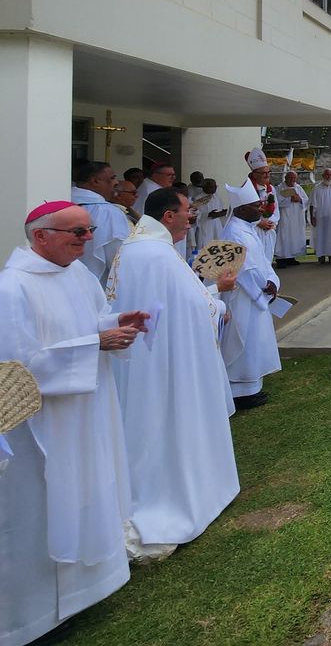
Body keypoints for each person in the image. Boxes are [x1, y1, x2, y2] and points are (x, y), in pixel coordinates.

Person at [0, 201, 146, 645]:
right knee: (37, 512)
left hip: (87, 413)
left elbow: (83, 326)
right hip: (40, 427)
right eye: (75, 233)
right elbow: (17, 366)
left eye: (88, 231)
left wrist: (113, 325)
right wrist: (95, 343)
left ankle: (87, 589)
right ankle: (30, 618)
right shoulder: (12, 288)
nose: (86, 240)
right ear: (40, 236)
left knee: (87, 494)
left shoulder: (79, 275)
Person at [106, 188, 240, 559]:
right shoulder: (157, 254)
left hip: (146, 359)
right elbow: (194, 307)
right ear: (168, 216)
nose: (191, 216)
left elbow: (174, 302)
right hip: (164, 361)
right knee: (167, 424)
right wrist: (217, 296)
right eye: (187, 211)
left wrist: (208, 294)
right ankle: (175, 496)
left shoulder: (134, 249)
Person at [218, 180, 281, 409]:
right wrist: (262, 288)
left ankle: (252, 387)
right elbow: (244, 270)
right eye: (256, 206)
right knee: (241, 340)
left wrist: (273, 280)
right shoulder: (233, 232)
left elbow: (263, 260)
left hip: (257, 294)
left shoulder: (248, 229)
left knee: (254, 341)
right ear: (242, 208)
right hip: (243, 297)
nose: (260, 209)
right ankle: (240, 391)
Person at [70, 160, 130, 285]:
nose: (117, 182)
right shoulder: (109, 213)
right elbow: (119, 259)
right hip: (96, 286)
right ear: (95, 181)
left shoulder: (63, 202)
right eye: (113, 178)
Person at [245, 148, 279, 264]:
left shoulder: (271, 189)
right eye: (263, 173)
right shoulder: (246, 189)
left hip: (268, 231)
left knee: (267, 261)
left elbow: (276, 210)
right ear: (254, 174)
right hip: (254, 231)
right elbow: (243, 211)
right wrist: (259, 222)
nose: (267, 175)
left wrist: (271, 222)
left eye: (268, 172)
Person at [274, 170, 308, 268]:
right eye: (290, 178)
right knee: (283, 236)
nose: (292, 179)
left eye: (294, 178)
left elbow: (306, 200)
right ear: (286, 178)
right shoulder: (280, 188)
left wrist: (300, 200)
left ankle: (290, 257)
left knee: (294, 236)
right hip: (284, 217)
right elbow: (277, 202)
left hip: (296, 217)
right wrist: (289, 200)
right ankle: (281, 259)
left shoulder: (298, 188)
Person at [309, 169, 331, 264]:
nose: (329, 176)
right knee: (320, 237)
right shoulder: (317, 188)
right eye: (327, 174)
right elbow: (312, 203)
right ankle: (321, 257)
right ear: (323, 175)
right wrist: (312, 217)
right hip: (320, 219)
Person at [193, 178, 227, 251]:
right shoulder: (198, 198)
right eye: (212, 187)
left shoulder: (216, 196)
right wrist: (209, 215)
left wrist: (222, 212)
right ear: (204, 187)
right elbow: (195, 214)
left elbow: (220, 208)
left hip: (217, 225)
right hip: (205, 225)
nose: (214, 189)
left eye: (215, 186)